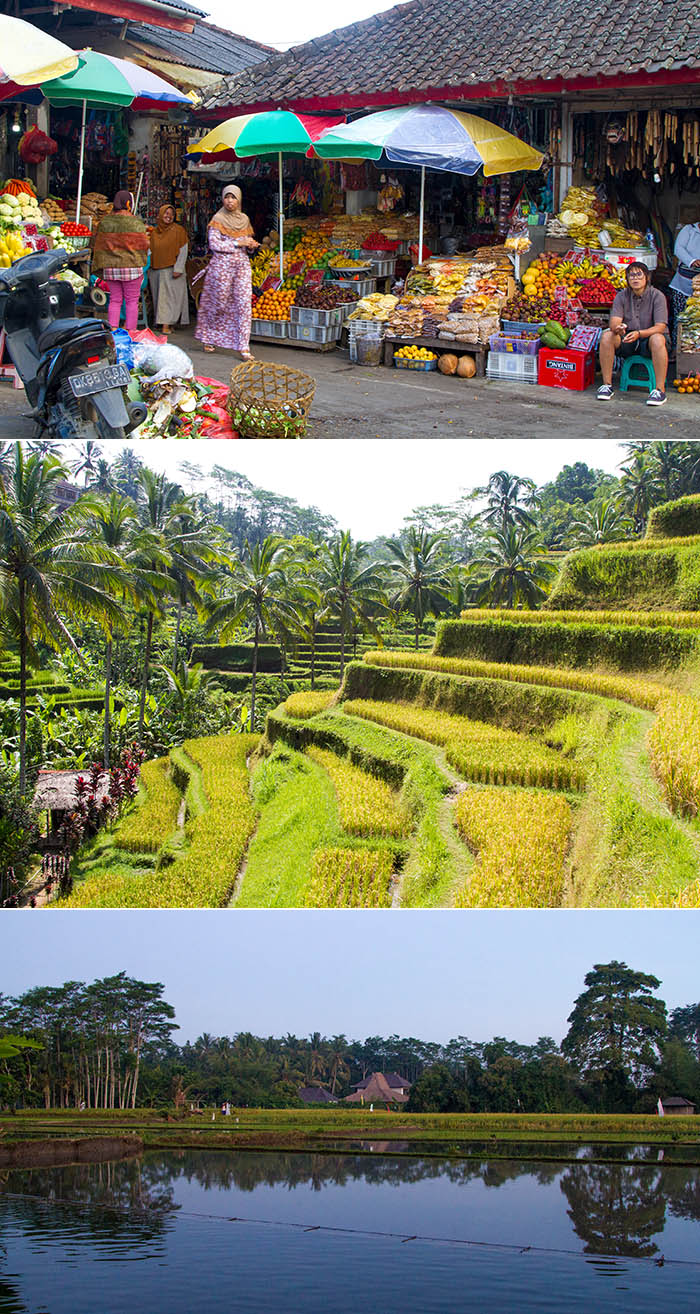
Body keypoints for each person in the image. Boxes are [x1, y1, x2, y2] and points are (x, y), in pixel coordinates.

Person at [194, 184, 259, 358]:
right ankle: (208, 337)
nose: (230, 201)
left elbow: (247, 242)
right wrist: (238, 243)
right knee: (219, 303)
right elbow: (214, 244)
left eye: (233, 197)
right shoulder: (218, 219)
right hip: (222, 268)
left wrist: (251, 245)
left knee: (244, 304)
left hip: (242, 267)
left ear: (239, 199)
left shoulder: (244, 219)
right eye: (227, 197)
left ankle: (243, 345)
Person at [597, 262, 669, 407]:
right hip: (628, 337)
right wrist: (619, 328)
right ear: (627, 279)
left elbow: (661, 326)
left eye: (638, 275)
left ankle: (660, 390)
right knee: (607, 336)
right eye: (631, 275)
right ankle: (607, 385)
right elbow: (614, 322)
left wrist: (640, 333)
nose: (635, 279)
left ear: (647, 277)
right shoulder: (621, 296)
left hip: (649, 337)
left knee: (657, 339)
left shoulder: (657, 296)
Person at [92, 190, 149, 336]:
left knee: (115, 300)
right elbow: (144, 243)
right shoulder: (135, 221)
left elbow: (98, 243)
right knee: (131, 301)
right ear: (128, 203)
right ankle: (131, 331)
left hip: (111, 267)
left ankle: (113, 330)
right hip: (131, 267)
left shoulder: (105, 221)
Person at [149, 204, 189, 335]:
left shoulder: (179, 230)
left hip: (172, 269)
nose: (169, 216)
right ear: (160, 215)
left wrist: (178, 268)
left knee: (170, 299)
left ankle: (166, 325)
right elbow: (150, 251)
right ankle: (164, 324)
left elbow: (183, 250)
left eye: (171, 214)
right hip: (156, 270)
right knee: (160, 299)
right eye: (166, 213)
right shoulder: (154, 232)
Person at [669, 220, 700, 328]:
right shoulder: (689, 229)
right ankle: (675, 343)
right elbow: (678, 249)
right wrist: (692, 261)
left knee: (696, 321)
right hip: (682, 284)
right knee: (680, 318)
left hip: (698, 289)